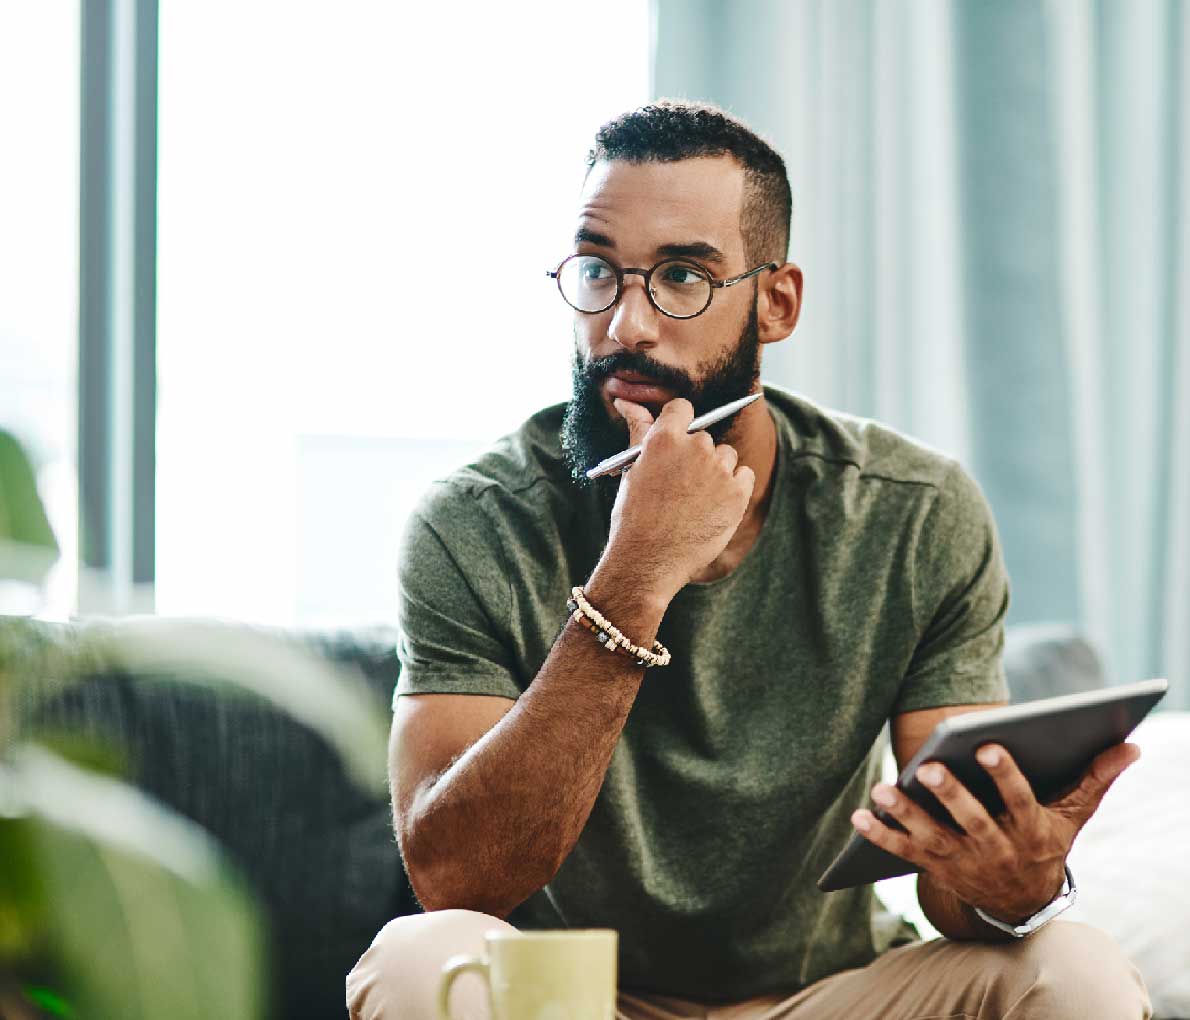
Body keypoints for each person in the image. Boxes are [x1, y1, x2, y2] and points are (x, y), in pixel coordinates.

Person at [347, 100, 1149, 1019]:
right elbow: (457, 878)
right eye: (599, 271)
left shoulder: (914, 512)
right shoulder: (475, 522)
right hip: (577, 1004)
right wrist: (634, 577)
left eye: (683, 276)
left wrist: (1016, 883)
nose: (627, 325)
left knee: (1074, 967)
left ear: (777, 301)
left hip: (824, 998)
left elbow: (949, 896)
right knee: (421, 958)